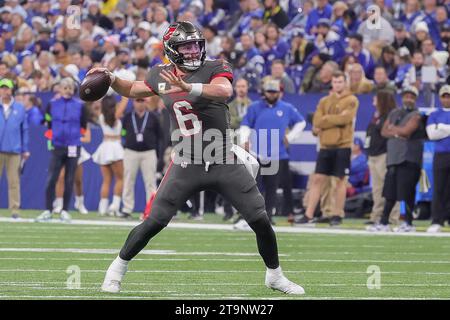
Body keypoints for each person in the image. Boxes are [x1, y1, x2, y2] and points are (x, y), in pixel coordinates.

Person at [90, 21, 304, 295]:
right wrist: (111, 78)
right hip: (187, 161)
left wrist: (190, 88)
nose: (192, 51)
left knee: (260, 219)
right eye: (185, 46)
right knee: (154, 222)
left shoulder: (216, 67)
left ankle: (275, 276)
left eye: (195, 45)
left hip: (223, 159)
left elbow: (224, 91)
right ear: (172, 50)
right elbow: (133, 89)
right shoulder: (161, 74)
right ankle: (115, 271)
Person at [239, 77, 306, 224]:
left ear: (279, 92)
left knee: (272, 187)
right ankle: (250, 214)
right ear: (264, 92)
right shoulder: (255, 107)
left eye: (274, 92)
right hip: (256, 153)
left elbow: (301, 122)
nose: (272, 94)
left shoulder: (286, 108)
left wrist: (291, 137)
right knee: (253, 186)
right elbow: (245, 125)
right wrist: (244, 140)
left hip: (277, 154)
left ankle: (267, 215)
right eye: (269, 92)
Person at [297, 71, 359, 226]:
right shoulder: (324, 101)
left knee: (340, 181)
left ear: (345, 82)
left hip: (343, 146)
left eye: (340, 82)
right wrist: (329, 121)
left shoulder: (352, 100)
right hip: (325, 146)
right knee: (318, 179)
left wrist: (325, 120)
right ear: (332, 83)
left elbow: (345, 119)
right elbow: (317, 121)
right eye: (335, 82)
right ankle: (309, 214)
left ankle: (337, 214)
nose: (337, 84)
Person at [369, 86, 425, 232]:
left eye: (411, 96)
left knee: (407, 192)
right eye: (406, 96)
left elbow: (406, 131)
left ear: (415, 99)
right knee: (390, 193)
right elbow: (383, 131)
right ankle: (384, 222)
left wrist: (394, 131)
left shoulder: (417, 114)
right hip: (393, 158)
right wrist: (397, 133)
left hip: (409, 158)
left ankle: (408, 222)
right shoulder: (394, 112)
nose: (408, 99)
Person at [35, 77, 88, 222]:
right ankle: (48, 210)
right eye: (65, 87)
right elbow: (48, 121)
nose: (67, 90)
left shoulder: (80, 105)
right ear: (59, 88)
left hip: (73, 145)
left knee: (69, 179)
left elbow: (84, 124)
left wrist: (75, 137)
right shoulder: (52, 104)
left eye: (70, 87)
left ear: (74, 89)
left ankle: (65, 210)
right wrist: (55, 136)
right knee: (52, 178)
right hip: (58, 145)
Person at [121, 96, 161, 216]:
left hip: (148, 152)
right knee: (128, 180)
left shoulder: (153, 117)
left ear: (146, 102)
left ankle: (151, 209)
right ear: (133, 102)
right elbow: (123, 132)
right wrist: (125, 145)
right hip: (131, 151)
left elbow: (160, 136)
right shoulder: (128, 117)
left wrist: (158, 153)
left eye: (142, 100)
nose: (139, 103)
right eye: (137, 100)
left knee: (150, 182)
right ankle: (127, 209)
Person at [365, 90, 400, 226]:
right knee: (377, 188)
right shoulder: (376, 116)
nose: (374, 99)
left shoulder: (390, 116)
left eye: (377, 97)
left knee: (390, 187)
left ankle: (392, 217)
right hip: (373, 155)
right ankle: (376, 216)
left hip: (384, 154)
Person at [92, 94, 128, 217]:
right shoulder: (116, 114)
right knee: (120, 179)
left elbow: (95, 105)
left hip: (104, 147)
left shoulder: (101, 115)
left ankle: (102, 208)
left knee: (106, 180)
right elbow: (125, 100)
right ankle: (114, 207)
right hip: (115, 147)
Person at [0, 78, 29, 218]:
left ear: (12, 90)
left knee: (14, 181)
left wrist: (25, 148)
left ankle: (15, 209)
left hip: (14, 150)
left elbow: (25, 130)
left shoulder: (20, 107)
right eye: (2, 88)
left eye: (7, 88)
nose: (4, 90)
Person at [425, 85, 450, 233]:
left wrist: (442, 127)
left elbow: (437, 131)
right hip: (440, 155)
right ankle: (437, 220)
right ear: (440, 98)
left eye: (448, 96)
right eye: (444, 96)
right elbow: (432, 135)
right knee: (439, 188)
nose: (446, 99)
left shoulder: (437, 119)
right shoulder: (434, 114)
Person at [53, 125, 92, 215]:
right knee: (61, 178)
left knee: (77, 180)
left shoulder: (82, 121)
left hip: (76, 150)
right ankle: (59, 204)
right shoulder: (62, 121)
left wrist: (74, 139)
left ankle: (80, 204)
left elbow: (87, 138)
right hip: (63, 150)